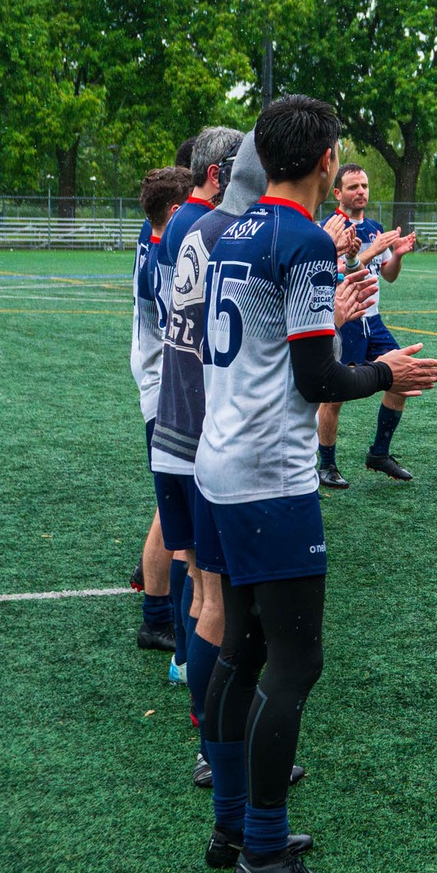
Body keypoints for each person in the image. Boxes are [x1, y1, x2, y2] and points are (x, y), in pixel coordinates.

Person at [195, 94, 437, 873]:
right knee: (295, 664)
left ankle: (231, 827)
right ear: (327, 160)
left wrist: (325, 319)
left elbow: (270, 342)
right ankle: (264, 854)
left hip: (219, 464)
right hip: (271, 474)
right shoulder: (302, 239)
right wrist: (387, 374)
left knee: (243, 651)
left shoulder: (228, 229)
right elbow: (317, 380)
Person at [150, 128, 245, 761]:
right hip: (204, 430)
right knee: (218, 592)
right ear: (220, 175)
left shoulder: (177, 226)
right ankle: (217, 739)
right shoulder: (214, 231)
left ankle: (187, 673)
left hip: (169, 419)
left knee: (194, 571)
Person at [316, 165, 418, 487]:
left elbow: (387, 274)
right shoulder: (329, 228)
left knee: (403, 376)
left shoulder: (374, 227)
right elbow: (329, 274)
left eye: (364, 185)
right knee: (333, 396)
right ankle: (326, 465)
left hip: (373, 321)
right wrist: (366, 253)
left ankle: (379, 453)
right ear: (338, 193)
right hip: (345, 321)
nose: (361, 191)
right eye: (353, 186)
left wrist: (397, 255)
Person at [130, 166, 191, 652]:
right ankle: (157, 616)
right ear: (175, 212)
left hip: (157, 378)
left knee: (169, 504)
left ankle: (154, 597)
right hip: (163, 385)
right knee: (169, 510)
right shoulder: (164, 256)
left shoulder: (151, 240)